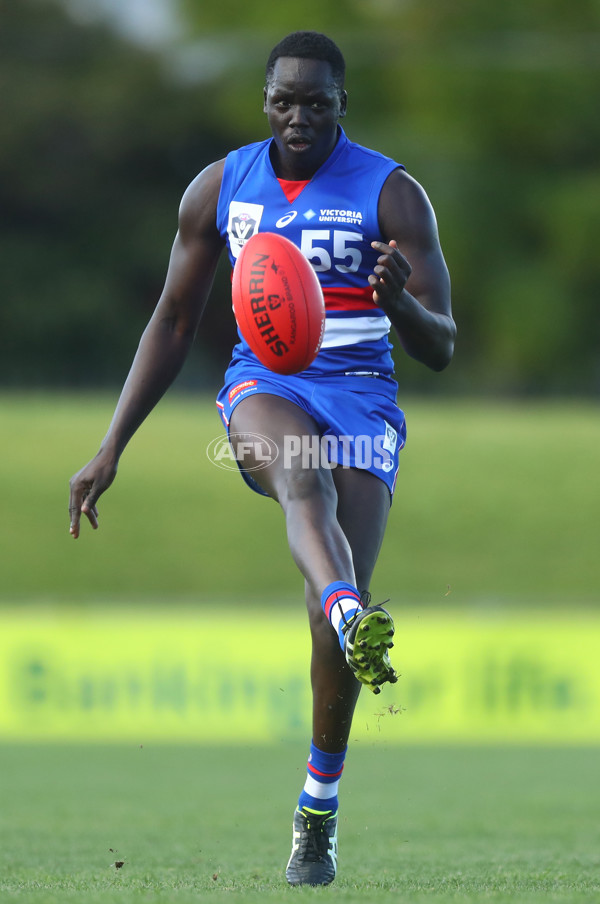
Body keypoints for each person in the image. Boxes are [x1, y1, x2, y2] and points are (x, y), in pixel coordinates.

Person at [69, 31, 455, 886]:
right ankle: (356, 611)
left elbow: (443, 346)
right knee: (300, 474)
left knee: (322, 625)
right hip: (267, 387)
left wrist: (401, 308)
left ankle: (317, 808)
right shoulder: (223, 187)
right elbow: (173, 319)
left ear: (341, 105)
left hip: (361, 397)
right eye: (285, 100)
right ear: (266, 100)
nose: (299, 116)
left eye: (317, 102)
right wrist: (110, 446)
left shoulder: (393, 195)